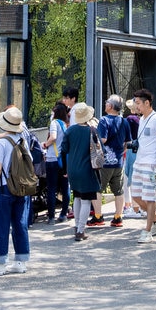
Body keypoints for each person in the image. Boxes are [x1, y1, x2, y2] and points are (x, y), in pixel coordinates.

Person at [0, 107, 32, 274]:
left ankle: (0, 263)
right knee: (20, 223)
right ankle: (21, 261)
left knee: (1, 225)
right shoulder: (23, 141)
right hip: (22, 187)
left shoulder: (2, 143)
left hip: (4, 188)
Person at [129, 88, 156, 243]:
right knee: (136, 195)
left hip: (151, 163)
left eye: (138, 103)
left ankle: (147, 231)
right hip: (139, 162)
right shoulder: (143, 119)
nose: (136, 106)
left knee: (150, 197)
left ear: (147, 103)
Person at [61, 103, 103, 241]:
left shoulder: (70, 130)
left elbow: (64, 150)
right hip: (87, 169)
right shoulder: (92, 130)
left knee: (77, 197)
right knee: (86, 201)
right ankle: (80, 230)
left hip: (72, 169)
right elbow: (100, 149)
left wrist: (65, 169)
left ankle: (77, 225)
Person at [96, 94, 130, 227]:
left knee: (97, 189)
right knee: (118, 190)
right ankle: (118, 217)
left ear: (110, 106)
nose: (105, 104)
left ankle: (98, 216)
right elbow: (127, 142)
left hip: (105, 162)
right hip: (119, 161)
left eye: (106, 102)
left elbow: (102, 140)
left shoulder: (104, 120)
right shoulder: (124, 121)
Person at [41, 102, 70, 224]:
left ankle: (51, 216)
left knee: (52, 188)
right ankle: (63, 214)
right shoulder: (65, 124)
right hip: (63, 159)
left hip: (53, 158)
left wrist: (45, 144)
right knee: (65, 187)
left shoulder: (54, 123)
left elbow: (53, 137)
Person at [122, 99, 144, 218]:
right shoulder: (141, 119)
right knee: (137, 179)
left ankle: (130, 205)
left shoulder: (129, 119)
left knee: (128, 179)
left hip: (130, 149)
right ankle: (138, 206)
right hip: (139, 149)